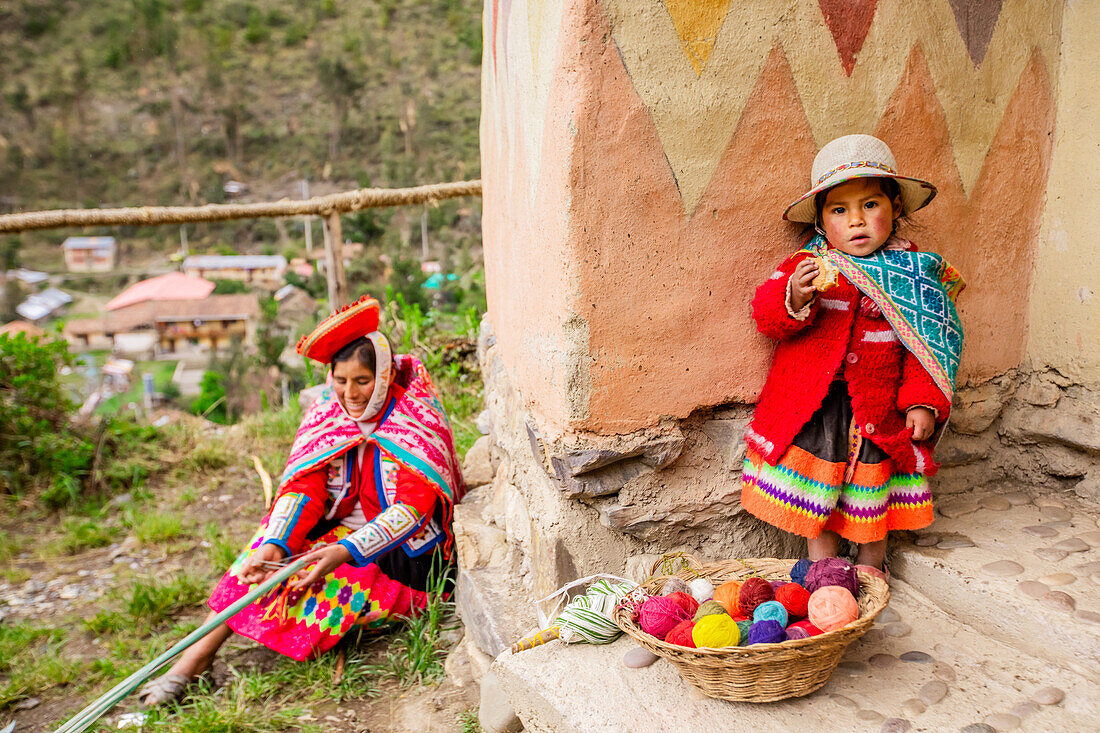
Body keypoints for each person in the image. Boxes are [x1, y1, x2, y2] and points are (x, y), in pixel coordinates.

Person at [138, 295, 465, 705]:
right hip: (342, 533)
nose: (351, 394)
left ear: (383, 376)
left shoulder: (414, 417)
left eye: (363, 381)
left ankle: (208, 652)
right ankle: (192, 660)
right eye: (341, 381)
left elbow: (414, 511)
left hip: (404, 558)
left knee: (318, 583)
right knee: (263, 556)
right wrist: (278, 543)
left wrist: (344, 552)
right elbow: (305, 488)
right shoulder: (329, 413)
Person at [740, 134, 965, 577]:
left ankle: (870, 568)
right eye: (840, 210)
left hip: (880, 411)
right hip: (818, 407)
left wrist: (922, 402)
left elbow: (929, 345)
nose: (856, 221)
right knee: (817, 492)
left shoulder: (915, 276)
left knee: (871, 491)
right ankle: (822, 568)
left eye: (870, 205)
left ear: (896, 207)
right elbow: (767, 316)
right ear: (823, 221)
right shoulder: (807, 264)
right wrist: (795, 295)